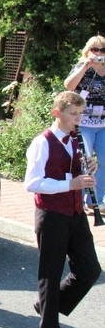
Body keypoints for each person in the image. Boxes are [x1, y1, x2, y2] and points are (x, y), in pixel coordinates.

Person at [24, 90, 102, 328]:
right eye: (73, 114)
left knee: (90, 269)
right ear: (57, 113)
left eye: (81, 114)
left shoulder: (77, 139)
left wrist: (89, 169)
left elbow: (78, 171)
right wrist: (70, 184)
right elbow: (32, 183)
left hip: (75, 212)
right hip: (51, 213)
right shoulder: (42, 142)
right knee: (51, 271)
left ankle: (46, 306)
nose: (78, 120)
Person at [63, 35, 105, 214]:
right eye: (94, 50)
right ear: (87, 51)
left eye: (102, 50)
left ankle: (96, 200)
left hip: (103, 124)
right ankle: (78, 200)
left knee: (103, 162)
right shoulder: (82, 66)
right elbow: (69, 86)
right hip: (84, 123)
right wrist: (86, 66)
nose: (98, 53)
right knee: (84, 162)